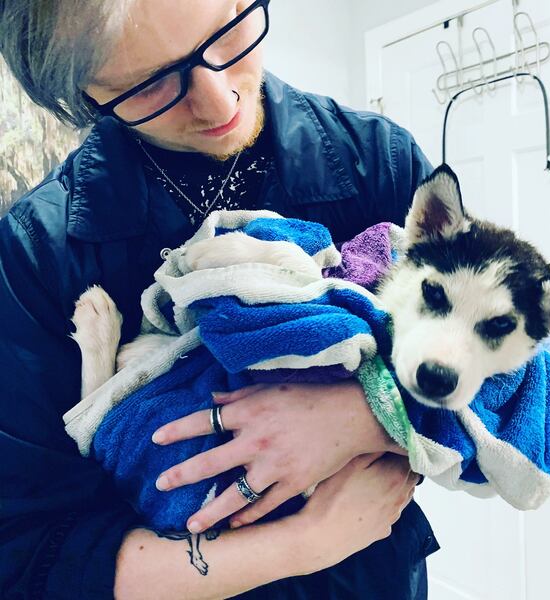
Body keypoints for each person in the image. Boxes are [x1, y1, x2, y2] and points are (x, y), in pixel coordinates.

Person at [0, 1, 440, 598]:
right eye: (148, 84)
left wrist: (362, 418)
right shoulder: (37, 252)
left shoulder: (377, 160)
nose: (218, 103)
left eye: (227, 33)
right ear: (82, 96)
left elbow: (526, 392)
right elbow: (31, 559)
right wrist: (305, 543)